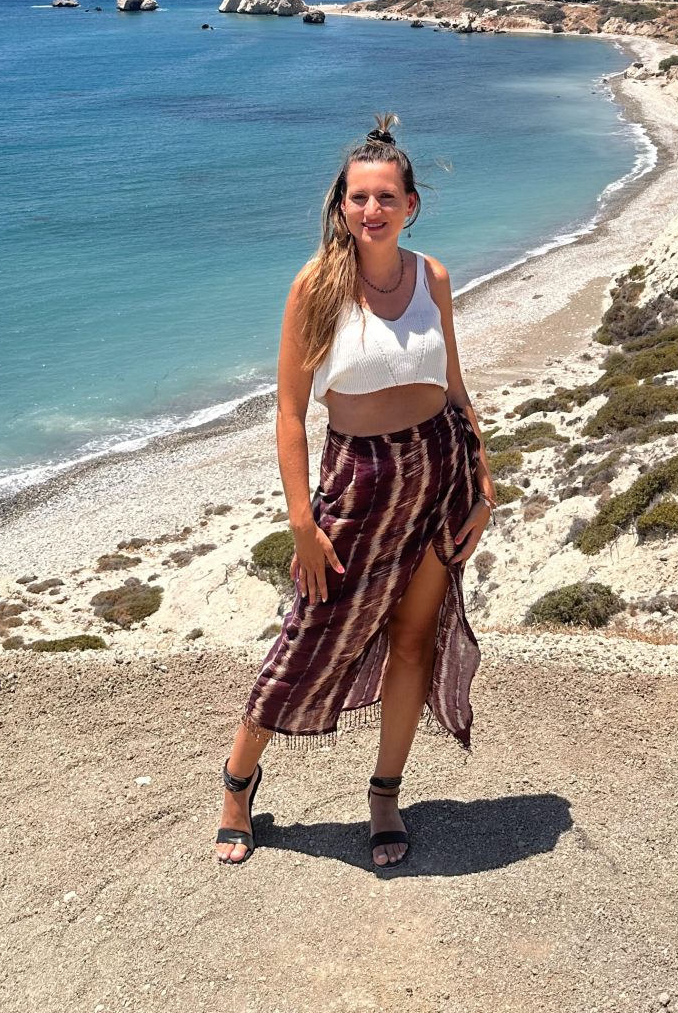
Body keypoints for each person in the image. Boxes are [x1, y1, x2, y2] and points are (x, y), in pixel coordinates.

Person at [213, 113, 497, 869]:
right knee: (309, 635)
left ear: (411, 205)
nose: (371, 210)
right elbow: (289, 411)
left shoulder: (432, 275)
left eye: (386, 197)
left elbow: (457, 387)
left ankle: (384, 795)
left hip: (439, 475)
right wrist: (302, 522)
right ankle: (238, 784)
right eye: (358, 197)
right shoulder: (316, 288)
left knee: (411, 641)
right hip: (357, 483)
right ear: (342, 206)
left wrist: (484, 484)